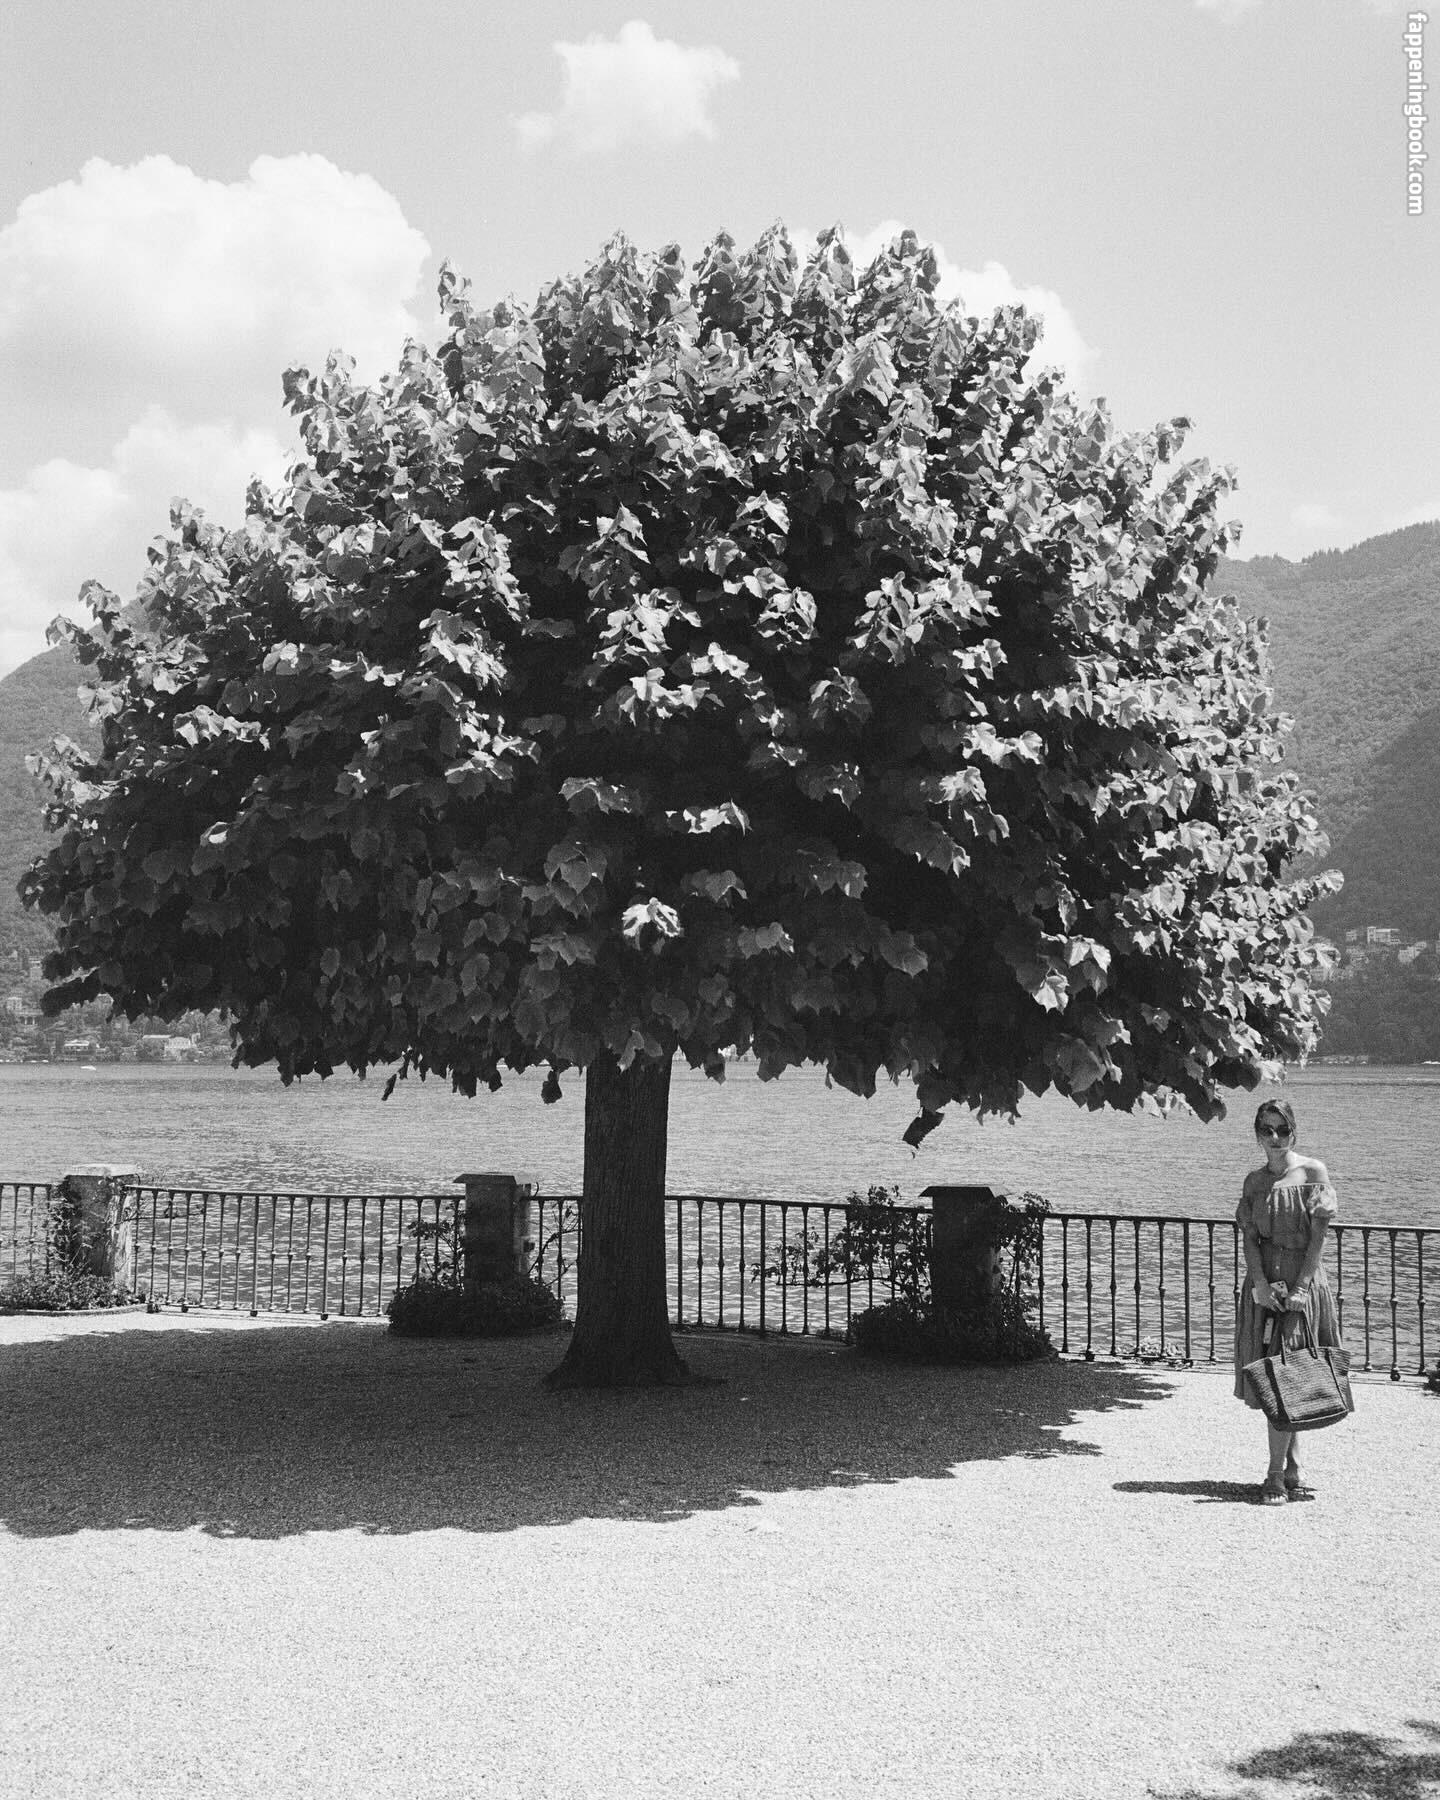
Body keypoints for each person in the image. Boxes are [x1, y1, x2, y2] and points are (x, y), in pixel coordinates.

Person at [1233, 1098, 1346, 1503]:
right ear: (1257, 1134)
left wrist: (1301, 1288)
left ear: (1294, 1131)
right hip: (1265, 1286)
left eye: (1283, 1129)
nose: (1275, 1137)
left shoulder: (1313, 1172)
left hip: (1302, 1283)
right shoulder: (1254, 1182)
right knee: (1277, 1372)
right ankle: (1292, 1464)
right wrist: (1260, 1284)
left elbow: (1318, 1240)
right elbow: (1249, 1238)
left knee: (1288, 1372)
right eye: (1267, 1130)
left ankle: (1274, 1475)